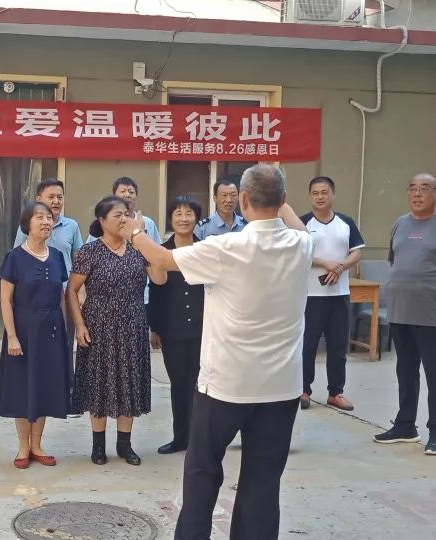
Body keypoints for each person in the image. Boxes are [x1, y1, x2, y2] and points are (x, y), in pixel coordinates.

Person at [125, 164, 310, 540]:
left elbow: (161, 261)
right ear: (285, 201)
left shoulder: (225, 247)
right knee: (263, 480)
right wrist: (280, 191)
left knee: (203, 471)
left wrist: (137, 232)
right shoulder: (302, 244)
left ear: (241, 201)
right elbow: (297, 224)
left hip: (227, 383)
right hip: (282, 387)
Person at [373, 173, 436, 456]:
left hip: (432, 314)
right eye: (413, 189)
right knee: (405, 371)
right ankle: (405, 425)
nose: (418, 194)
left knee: (435, 373)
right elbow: (397, 262)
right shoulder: (400, 224)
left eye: (425, 189)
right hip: (400, 311)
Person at [67, 196, 166, 467]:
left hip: (133, 325)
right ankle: (98, 444)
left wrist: (146, 242)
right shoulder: (90, 252)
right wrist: (79, 325)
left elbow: (160, 279)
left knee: (128, 385)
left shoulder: (139, 248)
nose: (124, 219)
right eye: (117, 215)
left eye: (127, 214)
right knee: (100, 384)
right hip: (98, 326)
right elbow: (72, 291)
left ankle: (125, 444)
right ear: (102, 221)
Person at [0, 202, 72, 469]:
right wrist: (12, 336)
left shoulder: (56, 256)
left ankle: (37, 445)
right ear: (26, 224)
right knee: (22, 387)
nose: (46, 222)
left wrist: (63, 328)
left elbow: (62, 297)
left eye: (50, 218)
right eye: (39, 217)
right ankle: (22, 448)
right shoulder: (14, 257)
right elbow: (5, 300)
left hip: (51, 329)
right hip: (23, 328)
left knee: (44, 386)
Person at [299, 176, 364, 412]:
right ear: (310, 196)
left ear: (333, 194)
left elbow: (356, 252)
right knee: (307, 346)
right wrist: (323, 262)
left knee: (338, 347)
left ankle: (335, 392)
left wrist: (340, 267)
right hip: (310, 296)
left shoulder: (346, 223)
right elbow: (297, 253)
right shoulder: (302, 223)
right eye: (315, 193)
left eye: (324, 192)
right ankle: (303, 390)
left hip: (339, 295)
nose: (320, 197)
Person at [147, 195, 206, 455]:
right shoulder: (160, 251)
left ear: (196, 218)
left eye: (189, 213)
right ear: (171, 219)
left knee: (199, 385)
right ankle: (180, 438)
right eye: (178, 214)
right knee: (178, 384)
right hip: (172, 329)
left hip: (204, 329)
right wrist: (155, 328)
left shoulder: (206, 250)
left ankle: (198, 439)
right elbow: (155, 292)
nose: (184, 218)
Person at [12, 178, 85, 365]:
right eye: (51, 196)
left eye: (60, 197)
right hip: (33, 299)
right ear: (38, 198)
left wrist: (81, 292)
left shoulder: (72, 226)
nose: (56, 201)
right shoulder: (28, 226)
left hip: (64, 296)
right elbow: (18, 259)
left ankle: (65, 390)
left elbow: (79, 263)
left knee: (64, 346)